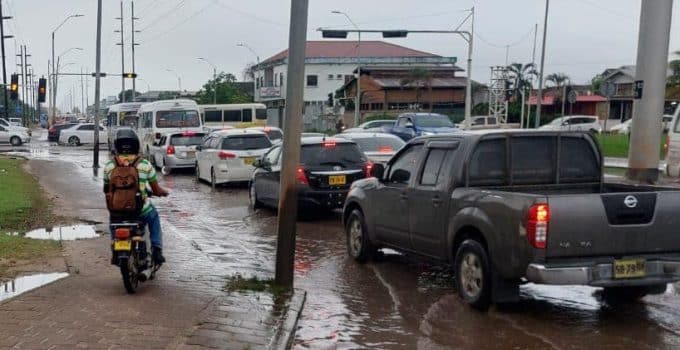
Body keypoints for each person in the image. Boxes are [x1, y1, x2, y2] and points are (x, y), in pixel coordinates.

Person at [104, 128, 169, 265]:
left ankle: (115, 250)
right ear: (136, 144)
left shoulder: (109, 166)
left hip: (117, 212)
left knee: (112, 222)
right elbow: (156, 190)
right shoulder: (145, 165)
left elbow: (106, 189)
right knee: (154, 217)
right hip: (140, 211)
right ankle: (157, 250)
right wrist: (162, 192)